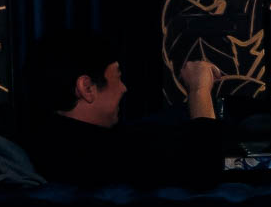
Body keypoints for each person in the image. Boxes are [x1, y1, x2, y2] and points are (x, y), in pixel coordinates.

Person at [17, 31, 225, 187]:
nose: (124, 88)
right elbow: (206, 168)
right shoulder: (97, 154)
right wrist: (199, 90)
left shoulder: (39, 140)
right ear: (87, 88)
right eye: (117, 77)